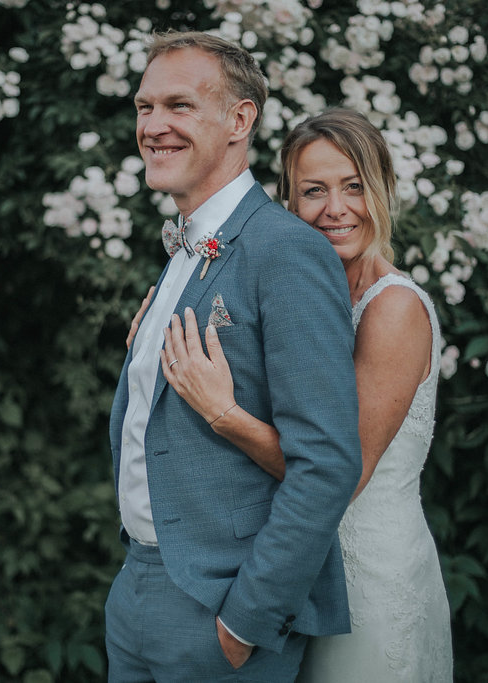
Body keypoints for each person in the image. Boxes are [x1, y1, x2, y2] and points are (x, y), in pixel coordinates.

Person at [141, 107, 453, 681]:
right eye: (313, 191)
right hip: (293, 573)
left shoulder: (393, 311)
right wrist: (159, 332)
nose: (335, 209)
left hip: (368, 584)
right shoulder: (298, 296)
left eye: (353, 187)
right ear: (288, 204)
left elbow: (341, 473)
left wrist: (224, 414)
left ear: (382, 191)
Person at [105, 32, 362, 682]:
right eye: (144, 107)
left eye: (178, 106)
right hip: (137, 588)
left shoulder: (285, 250)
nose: (153, 126)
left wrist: (244, 622)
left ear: (239, 120)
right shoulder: (185, 253)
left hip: (220, 608)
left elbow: (327, 463)